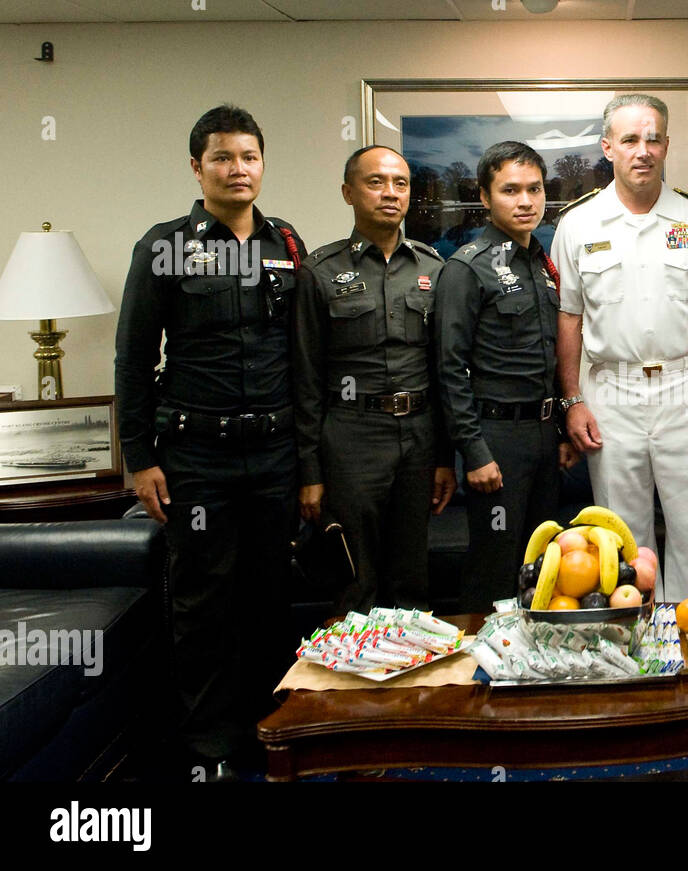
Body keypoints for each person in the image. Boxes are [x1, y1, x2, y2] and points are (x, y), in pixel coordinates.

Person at [114, 105, 306, 779]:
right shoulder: (163, 247)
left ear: (262, 164)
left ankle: (270, 734)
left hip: (274, 455)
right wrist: (140, 459)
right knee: (202, 606)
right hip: (197, 457)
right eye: (222, 157)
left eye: (249, 156)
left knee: (270, 598)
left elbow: (303, 358)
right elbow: (133, 360)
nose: (238, 169)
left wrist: (307, 462)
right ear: (197, 167)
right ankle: (210, 750)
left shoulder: (285, 243)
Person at [551, 94, 688, 604]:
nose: (643, 150)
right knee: (620, 537)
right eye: (631, 139)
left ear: (667, 145)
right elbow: (567, 319)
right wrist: (572, 400)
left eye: (653, 138)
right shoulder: (578, 225)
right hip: (610, 393)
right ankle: (635, 654)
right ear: (608, 147)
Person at [292, 145, 456, 614]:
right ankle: (352, 685)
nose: (391, 193)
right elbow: (304, 378)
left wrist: (444, 457)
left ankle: (415, 683)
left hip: (419, 433)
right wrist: (310, 472)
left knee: (411, 579)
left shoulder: (433, 268)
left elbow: (444, 370)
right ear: (349, 192)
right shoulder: (319, 272)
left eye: (401, 183)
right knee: (354, 580)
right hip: (351, 435)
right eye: (376, 182)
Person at [437, 141, 576, 612]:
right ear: (483, 197)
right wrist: (473, 453)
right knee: (494, 569)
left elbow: (551, 357)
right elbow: (449, 368)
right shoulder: (467, 268)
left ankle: (532, 672)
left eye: (534, 189)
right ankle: (480, 677)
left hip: (541, 435)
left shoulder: (543, 264)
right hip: (496, 439)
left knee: (542, 568)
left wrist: (558, 430)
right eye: (510, 190)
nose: (525, 201)